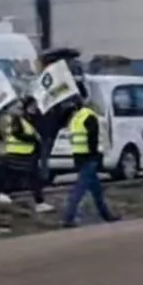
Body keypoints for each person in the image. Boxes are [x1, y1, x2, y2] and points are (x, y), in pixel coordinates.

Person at [62, 96, 119, 228]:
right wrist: (96, 156)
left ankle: (107, 215)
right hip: (89, 156)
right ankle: (69, 217)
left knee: (96, 190)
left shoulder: (75, 118)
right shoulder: (90, 116)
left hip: (78, 155)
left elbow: (72, 138)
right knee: (80, 189)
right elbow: (93, 138)